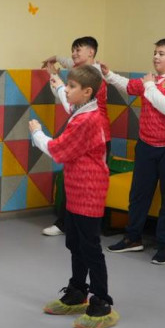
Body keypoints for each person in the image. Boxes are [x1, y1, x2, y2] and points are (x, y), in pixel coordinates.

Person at [30, 65, 117, 328]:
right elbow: (67, 103)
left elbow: (58, 150)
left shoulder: (86, 120)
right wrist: (56, 82)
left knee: (90, 247)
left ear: (87, 92)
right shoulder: (82, 110)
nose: (66, 91)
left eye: (71, 87)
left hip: (89, 191)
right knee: (75, 243)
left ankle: (101, 302)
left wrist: (37, 133)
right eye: (66, 85)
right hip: (76, 188)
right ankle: (78, 291)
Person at [102, 38, 165, 265]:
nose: (156, 57)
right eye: (155, 53)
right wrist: (109, 75)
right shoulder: (154, 79)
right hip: (146, 146)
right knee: (139, 195)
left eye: (161, 53)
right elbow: (130, 86)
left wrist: (149, 85)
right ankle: (132, 238)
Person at [40, 36, 111, 236]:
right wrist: (56, 59)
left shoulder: (95, 78)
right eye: (72, 50)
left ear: (91, 52)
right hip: (87, 136)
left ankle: (78, 227)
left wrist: (56, 79)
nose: (73, 54)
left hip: (96, 138)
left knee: (87, 187)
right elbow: (68, 63)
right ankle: (68, 225)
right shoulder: (84, 71)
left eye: (78, 50)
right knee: (71, 180)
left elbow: (69, 105)